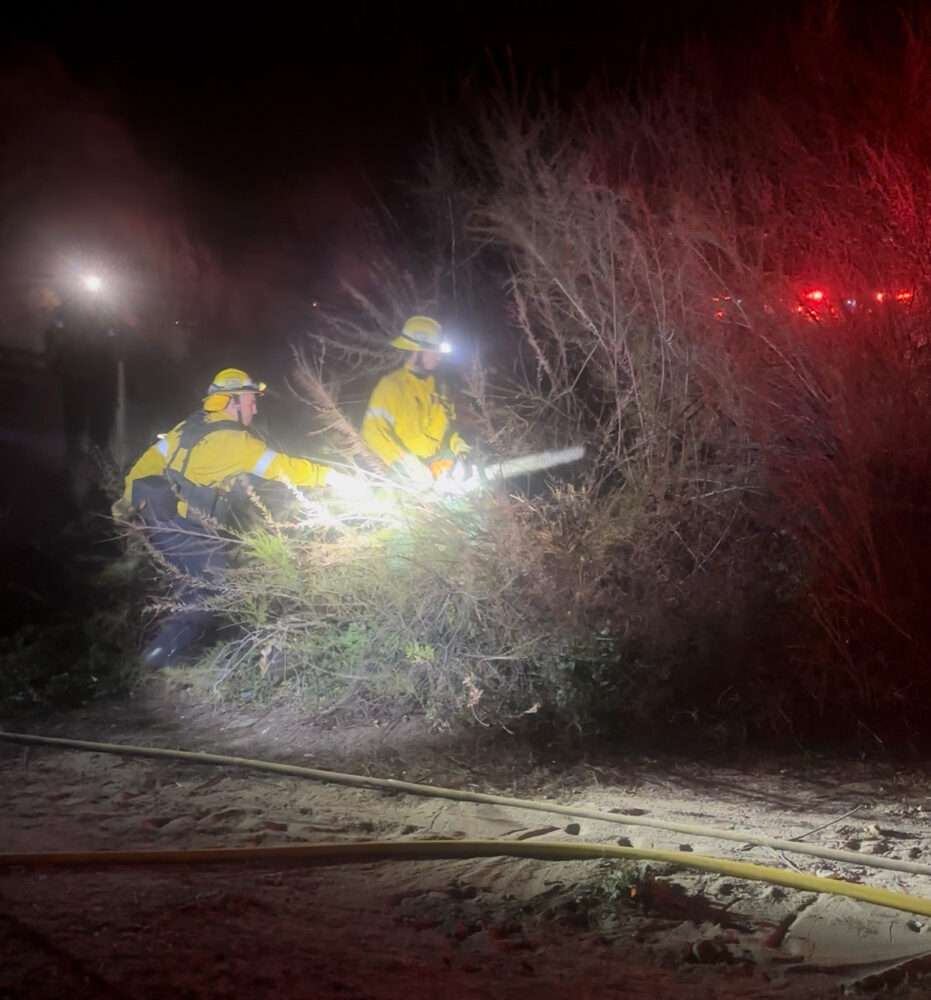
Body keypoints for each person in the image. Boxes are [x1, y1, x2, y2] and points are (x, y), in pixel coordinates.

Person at [114, 367, 348, 667]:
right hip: (188, 532)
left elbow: (142, 469)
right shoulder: (235, 442)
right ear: (231, 401)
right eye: (250, 400)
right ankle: (157, 660)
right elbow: (284, 469)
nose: (255, 408)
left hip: (162, 526)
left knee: (198, 588)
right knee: (212, 592)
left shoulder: (185, 428)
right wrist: (332, 477)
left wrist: (124, 507)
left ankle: (191, 658)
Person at [361, 315, 472, 485]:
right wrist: (407, 464)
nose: (439, 357)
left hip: (438, 470)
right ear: (416, 351)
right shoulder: (391, 386)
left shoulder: (440, 388)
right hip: (402, 477)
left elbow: (449, 432)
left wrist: (461, 449)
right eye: (434, 351)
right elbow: (373, 433)